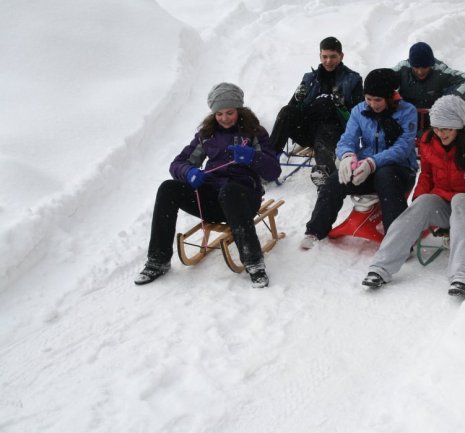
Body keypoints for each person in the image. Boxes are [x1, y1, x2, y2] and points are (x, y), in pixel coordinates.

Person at [361, 95, 465, 297]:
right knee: (423, 203)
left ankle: (462, 276)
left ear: (459, 127)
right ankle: (380, 267)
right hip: (444, 200)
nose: (440, 133)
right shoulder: (429, 141)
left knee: (461, 200)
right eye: (436, 128)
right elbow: (427, 174)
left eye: (446, 129)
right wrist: (419, 198)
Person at [134, 83, 281, 288]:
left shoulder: (254, 133)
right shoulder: (207, 134)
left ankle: (254, 262)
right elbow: (178, 163)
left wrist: (252, 158)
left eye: (230, 112)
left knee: (230, 191)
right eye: (219, 113)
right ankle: (158, 260)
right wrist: (188, 172)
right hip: (213, 200)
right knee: (168, 188)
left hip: (244, 199)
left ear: (239, 110)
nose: (224, 118)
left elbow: (274, 171)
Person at [301, 68, 418, 249]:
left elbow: (402, 148)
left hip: (400, 169)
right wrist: (347, 156)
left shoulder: (407, 111)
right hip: (366, 167)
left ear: (389, 97)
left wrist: (373, 163)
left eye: (377, 100)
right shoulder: (359, 110)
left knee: (385, 176)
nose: (372, 104)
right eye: (368, 98)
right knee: (334, 181)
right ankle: (315, 230)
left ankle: (397, 241)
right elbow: (347, 139)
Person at [270, 36, 363, 186]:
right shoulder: (309, 78)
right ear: (319, 56)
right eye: (324, 56)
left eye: (333, 56)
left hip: (335, 131)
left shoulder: (353, 79)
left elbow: (359, 115)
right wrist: (297, 99)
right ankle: (267, 160)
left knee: (327, 107)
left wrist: (341, 107)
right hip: (307, 129)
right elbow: (292, 108)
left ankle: (324, 170)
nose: (328, 61)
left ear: (341, 56)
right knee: (287, 111)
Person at [391, 41, 465, 133]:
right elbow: (381, 79)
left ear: (431, 64)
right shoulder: (403, 68)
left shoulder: (441, 70)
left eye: (424, 67)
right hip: (407, 118)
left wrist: (449, 99)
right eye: (416, 67)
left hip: (436, 121)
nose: (420, 72)